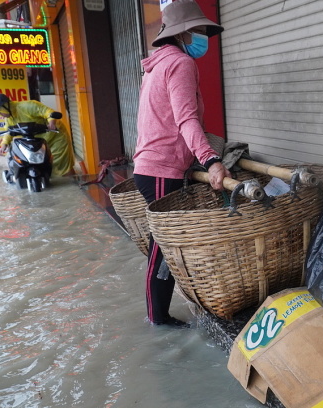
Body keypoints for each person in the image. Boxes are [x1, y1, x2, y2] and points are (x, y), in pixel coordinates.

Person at [133, 0, 232, 327]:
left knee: (162, 245)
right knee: (162, 249)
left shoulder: (159, 63)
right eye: (200, 30)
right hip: (161, 169)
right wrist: (212, 161)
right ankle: (157, 318)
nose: (204, 36)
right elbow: (186, 120)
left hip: (151, 167)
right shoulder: (180, 64)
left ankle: (157, 314)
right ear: (185, 32)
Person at [0, 93, 75, 177]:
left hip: (55, 137)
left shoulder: (28, 106)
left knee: (62, 166)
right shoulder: (9, 118)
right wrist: (4, 144)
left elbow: (48, 112)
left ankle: (72, 184)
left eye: (0, 112)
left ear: (5, 107)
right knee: (45, 168)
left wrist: (51, 123)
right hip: (39, 143)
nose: (1, 115)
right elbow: (8, 131)